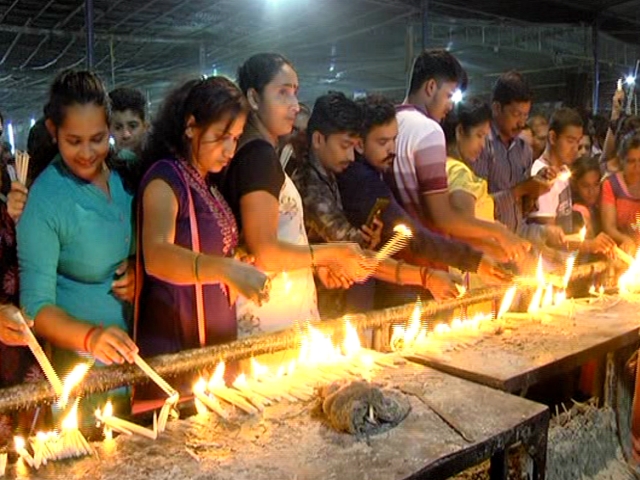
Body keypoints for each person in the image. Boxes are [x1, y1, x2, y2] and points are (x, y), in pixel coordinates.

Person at [136, 76, 268, 398]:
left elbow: (209, 249)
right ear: (191, 126)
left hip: (213, 343)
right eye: (221, 137)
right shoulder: (165, 180)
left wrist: (234, 264)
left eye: (235, 138)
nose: (230, 150)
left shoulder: (206, 182)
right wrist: (225, 269)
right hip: (178, 346)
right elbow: (157, 255)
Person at [221, 53, 371, 337]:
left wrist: (314, 266)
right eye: (282, 93)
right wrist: (333, 253)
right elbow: (265, 251)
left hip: (276, 308)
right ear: (254, 98)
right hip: (268, 319)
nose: (294, 105)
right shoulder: (258, 155)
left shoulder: (263, 152)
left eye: (295, 93)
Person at [17, 70, 137, 420]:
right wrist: (91, 337)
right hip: (86, 375)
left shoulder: (126, 173)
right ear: (54, 133)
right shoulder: (46, 200)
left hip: (144, 359)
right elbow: (36, 308)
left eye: (98, 138)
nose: (87, 153)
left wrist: (138, 268)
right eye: (74, 141)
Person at [338, 94, 510, 309]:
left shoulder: (374, 173)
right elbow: (413, 237)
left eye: (394, 140)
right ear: (359, 145)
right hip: (355, 293)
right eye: (382, 142)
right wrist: (473, 260)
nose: (392, 149)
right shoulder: (361, 180)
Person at [388, 49, 529, 265]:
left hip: (393, 261)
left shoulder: (391, 123)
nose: (451, 105)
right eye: (449, 95)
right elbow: (443, 218)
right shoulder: (429, 130)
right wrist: (498, 232)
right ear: (431, 87)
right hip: (425, 265)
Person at [472, 71, 556, 243]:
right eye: (516, 114)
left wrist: (535, 188)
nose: (521, 122)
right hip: (489, 245)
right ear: (496, 108)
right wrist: (522, 189)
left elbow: (523, 210)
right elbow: (477, 207)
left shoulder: (524, 150)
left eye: (526, 115)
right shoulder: (481, 146)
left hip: (517, 242)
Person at [528, 107, 583, 237]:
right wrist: (590, 245)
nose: (575, 148)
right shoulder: (541, 175)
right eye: (570, 141)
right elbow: (548, 236)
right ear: (552, 137)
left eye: (578, 141)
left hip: (564, 254)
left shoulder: (563, 170)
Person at [601, 132, 640, 254]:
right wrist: (626, 240)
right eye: (631, 161)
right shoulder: (611, 185)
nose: (637, 167)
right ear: (621, 161)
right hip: (620, 251)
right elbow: (609, 227)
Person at [570, 155, 616, 256]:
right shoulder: (578, 211)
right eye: (585, 186)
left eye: (596, 184)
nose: (592, 192)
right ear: (575, 185)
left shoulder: (599, 205)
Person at [109, 87, 149, 159]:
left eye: (133, 126)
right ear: (109, 130)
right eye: (118, 128)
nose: (126, 135)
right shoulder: (102, 168)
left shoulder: (162, 165)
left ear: (145, 126)